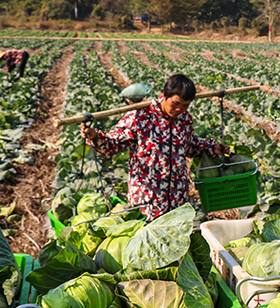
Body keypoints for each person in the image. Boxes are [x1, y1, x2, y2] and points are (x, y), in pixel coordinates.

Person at [80, 73, 229, 219]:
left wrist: (211, 147)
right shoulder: (140, 117)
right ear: (164, 95)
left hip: (178, 198)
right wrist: (94, 136)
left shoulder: (184, 119)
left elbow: (190, 146)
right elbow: (112, 146)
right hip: (148, 201)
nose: (179, 110)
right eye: (175, 104)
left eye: (185, 105)